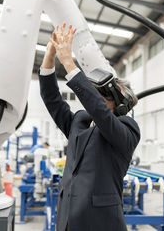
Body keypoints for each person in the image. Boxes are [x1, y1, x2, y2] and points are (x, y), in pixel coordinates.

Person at [39, 23, 140, 231]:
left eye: (103, 94)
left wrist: (68, 61)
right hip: (67, 219)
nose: (97, 97)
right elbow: (51, 99)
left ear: (120, 104)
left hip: (100, 223)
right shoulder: (80, 122)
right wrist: (50, 56)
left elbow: (101, 114)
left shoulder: (127, 129)